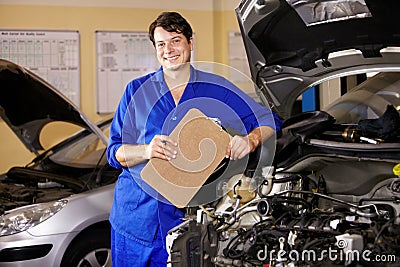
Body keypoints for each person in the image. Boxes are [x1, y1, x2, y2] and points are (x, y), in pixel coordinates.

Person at [106, 11, 281, 266]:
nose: (169, 50)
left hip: (187, 224)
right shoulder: (136, 91)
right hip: (135, 223)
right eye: (161, 44)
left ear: (190, 42)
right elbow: (114, 152)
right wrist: (145, 150)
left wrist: (250, 140)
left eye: (176, 40)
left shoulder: (217, 89)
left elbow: (269, 120)